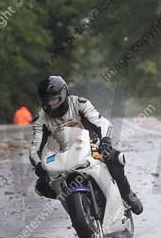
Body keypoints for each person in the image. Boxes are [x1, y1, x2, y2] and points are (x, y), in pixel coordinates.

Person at [29, 75, 143, 215]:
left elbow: (101, 122)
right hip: (61, 155)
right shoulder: (40, 119)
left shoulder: (80, 103)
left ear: (64, 94)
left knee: (114, 157)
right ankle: (76, 208)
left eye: (54, 99)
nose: (51, 104)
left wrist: (105, 140)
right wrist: (39, 165)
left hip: (90, 144)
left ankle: (127, 194)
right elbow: (35, 149)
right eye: (47, 101)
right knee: (42, 186)